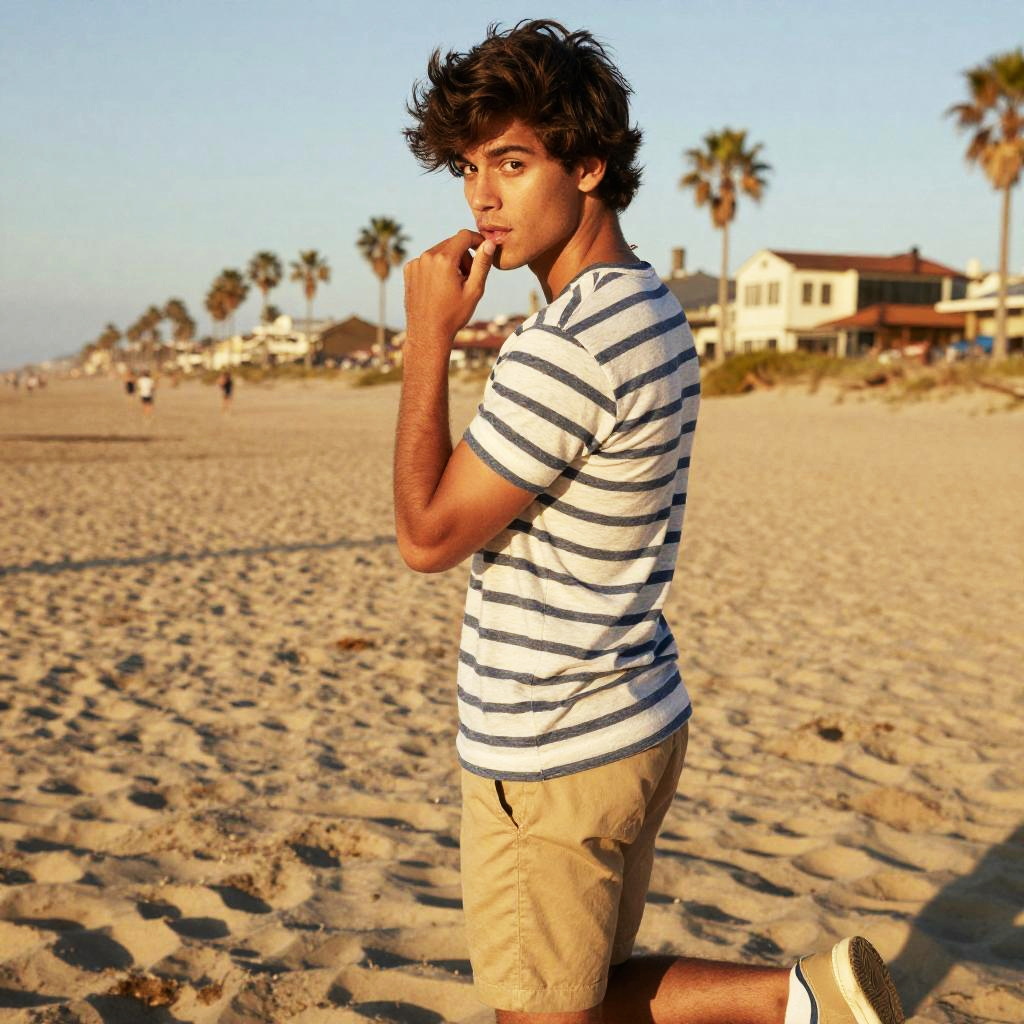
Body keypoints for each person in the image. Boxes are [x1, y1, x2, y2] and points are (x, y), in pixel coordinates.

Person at [394, 20, 906, 1024]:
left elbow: (426, 536)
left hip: (549, 743)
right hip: (632, 715)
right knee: (575, 990)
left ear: (588, 165)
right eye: (467, 167)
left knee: (541, 1005)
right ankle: (804, 1001)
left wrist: (425, 341)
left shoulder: (565, 344)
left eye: (511, 162)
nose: (481, 198)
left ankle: (793, 1000)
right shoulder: (651, 308)